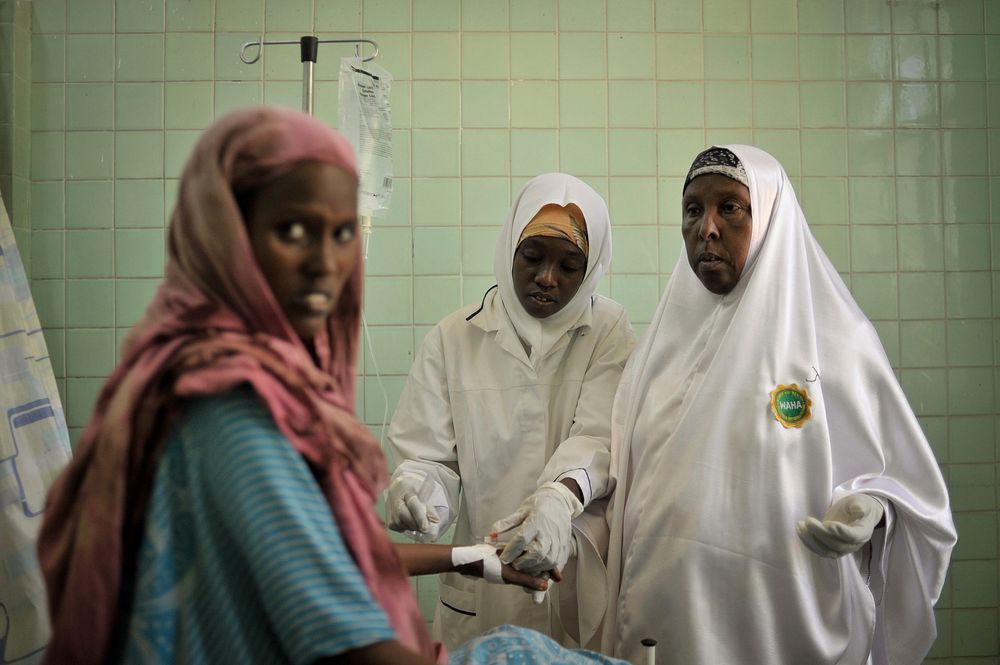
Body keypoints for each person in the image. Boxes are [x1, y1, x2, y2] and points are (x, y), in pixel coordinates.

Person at [33, 107, 579, 665]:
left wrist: (478, 559)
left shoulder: (226, 376)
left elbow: (323, 555)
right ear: (225, 233)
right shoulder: (229, 409)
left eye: (341, 232)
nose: (325, 263)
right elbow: (344, 642)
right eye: (291, 230)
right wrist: (515, 657)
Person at [600, 145, 957, 665]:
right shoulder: (660, 350)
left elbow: (912, 492)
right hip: (665, 625)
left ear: (769, 216)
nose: (708, 228)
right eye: (693, 209)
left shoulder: (835, 342)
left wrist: (875, 510)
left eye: (730, 207)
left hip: (784, 626)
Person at [385, 173, 636, 649]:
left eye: (569, 265)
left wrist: (558, 500)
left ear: (592, 269)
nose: (546, 278)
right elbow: (430, 458)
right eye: (533, 257)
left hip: (572, 580)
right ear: (510, 250)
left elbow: (601, 437)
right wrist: (416, 491)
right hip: (483, 592)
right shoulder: (453, 337)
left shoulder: (608, 330)